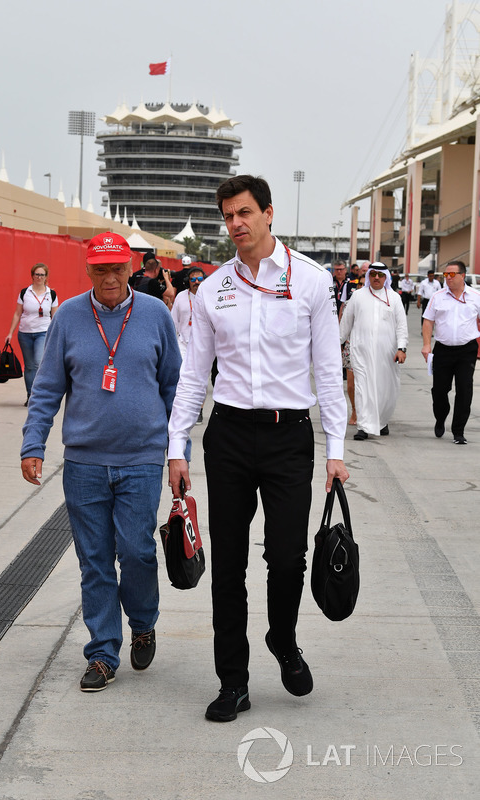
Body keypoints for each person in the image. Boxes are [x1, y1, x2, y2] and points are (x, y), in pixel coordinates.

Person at [167, 175, 349, 722]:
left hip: (289, 435)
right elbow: (194, 376)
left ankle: (283, 639)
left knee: (288, 556)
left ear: (269, 214)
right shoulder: (213, 288)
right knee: (228, 563)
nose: (235, 224)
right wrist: (178, 447)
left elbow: (329, 374)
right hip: (227, 436)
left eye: (244, 213)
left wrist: (335, 449)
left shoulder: (312, 283)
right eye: (227, 216)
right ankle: (233, 680)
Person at [20, 232, 182, 692]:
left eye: (117, 268)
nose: (109, 277)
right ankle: (103, 653)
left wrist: (178, 454)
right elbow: (48, 388)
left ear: (130, 268)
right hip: (85, 463)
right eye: (100, 269)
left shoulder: (154, 315)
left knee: (137, 551)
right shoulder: (69, 316)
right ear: (87, 269)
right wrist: (33, 444)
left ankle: (144, 621)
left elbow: (176, 389)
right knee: (93, 560)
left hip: (142, 459)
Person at [339, 262, 408, 440]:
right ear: (369, 275)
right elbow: (346, 323)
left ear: (386, 277)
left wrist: (402, 348)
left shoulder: (394, 298)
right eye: (373, 274)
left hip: (387, 354)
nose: (376, 277)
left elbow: (401, 326)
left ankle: (381, 421)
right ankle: (363, 426)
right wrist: (335, 345)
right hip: (360, 351)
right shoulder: (358, 296)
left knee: (386, 389)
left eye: (380, 274)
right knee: (362, 388)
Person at [421, 260, 480, 444]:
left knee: (464, 389)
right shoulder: (438, 296)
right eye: (446, 275)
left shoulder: (475, 296)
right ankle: (440, 418)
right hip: (443, 349)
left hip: (467, 350)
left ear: (463, 276)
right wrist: (426, 345)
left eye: (452, 275)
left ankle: (458, 431)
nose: (448, 278)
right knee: (439, 390)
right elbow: (428, 321)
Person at [6, 263, 58, 405]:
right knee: (29, 366)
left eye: (42, 275)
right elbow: (17, 313)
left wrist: (56, 336)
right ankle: (30, 394)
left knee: (38, 362)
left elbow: (55, 317)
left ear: (46, 277)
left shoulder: (51, 294)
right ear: (32, 276)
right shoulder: (25, 292)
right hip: (25, 333)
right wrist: (10, 333)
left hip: (43, 332)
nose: (39, 277)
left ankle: (38, 394)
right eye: (37, 274)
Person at [171, 266, 207, 424]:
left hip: (202, 345)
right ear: (188, 281)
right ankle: (184, 408)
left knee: (201, 379)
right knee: (182, 378)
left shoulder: (209, 297)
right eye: (193, 279)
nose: (197, 282)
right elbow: (174, 321)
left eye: (200, 279)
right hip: (183, 344)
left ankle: (199, 409)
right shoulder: (180, 297)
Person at [339, 274, 365, 425]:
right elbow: (342, 326)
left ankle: (366, 411)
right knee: (351, 384)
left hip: (368, 346)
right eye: (359, 285)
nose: (361, 287)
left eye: (364, 284)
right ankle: (355, 410)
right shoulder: (348, 303)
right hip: (350, 346)